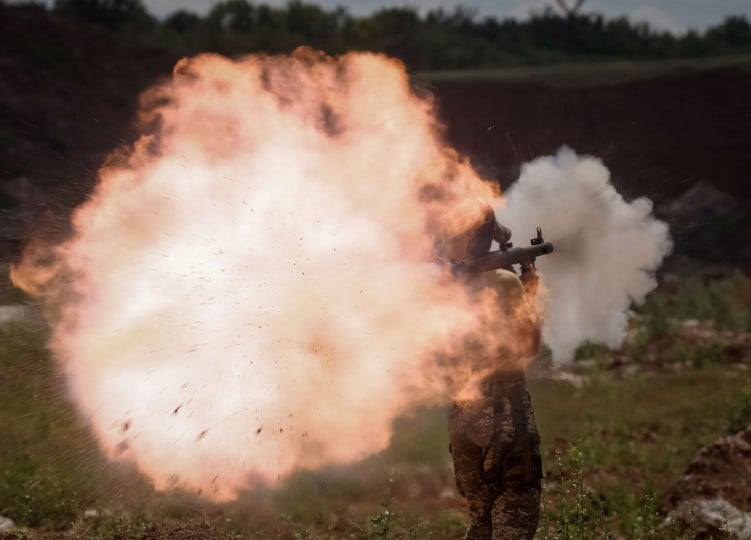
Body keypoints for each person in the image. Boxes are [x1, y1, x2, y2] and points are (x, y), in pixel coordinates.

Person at [443, 203, 543, 540]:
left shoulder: (443, 291)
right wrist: (529, 290)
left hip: (461, 413)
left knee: (481, 523)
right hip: (504, 411)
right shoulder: (504, 283)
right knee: (517, 510)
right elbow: (528, 345)